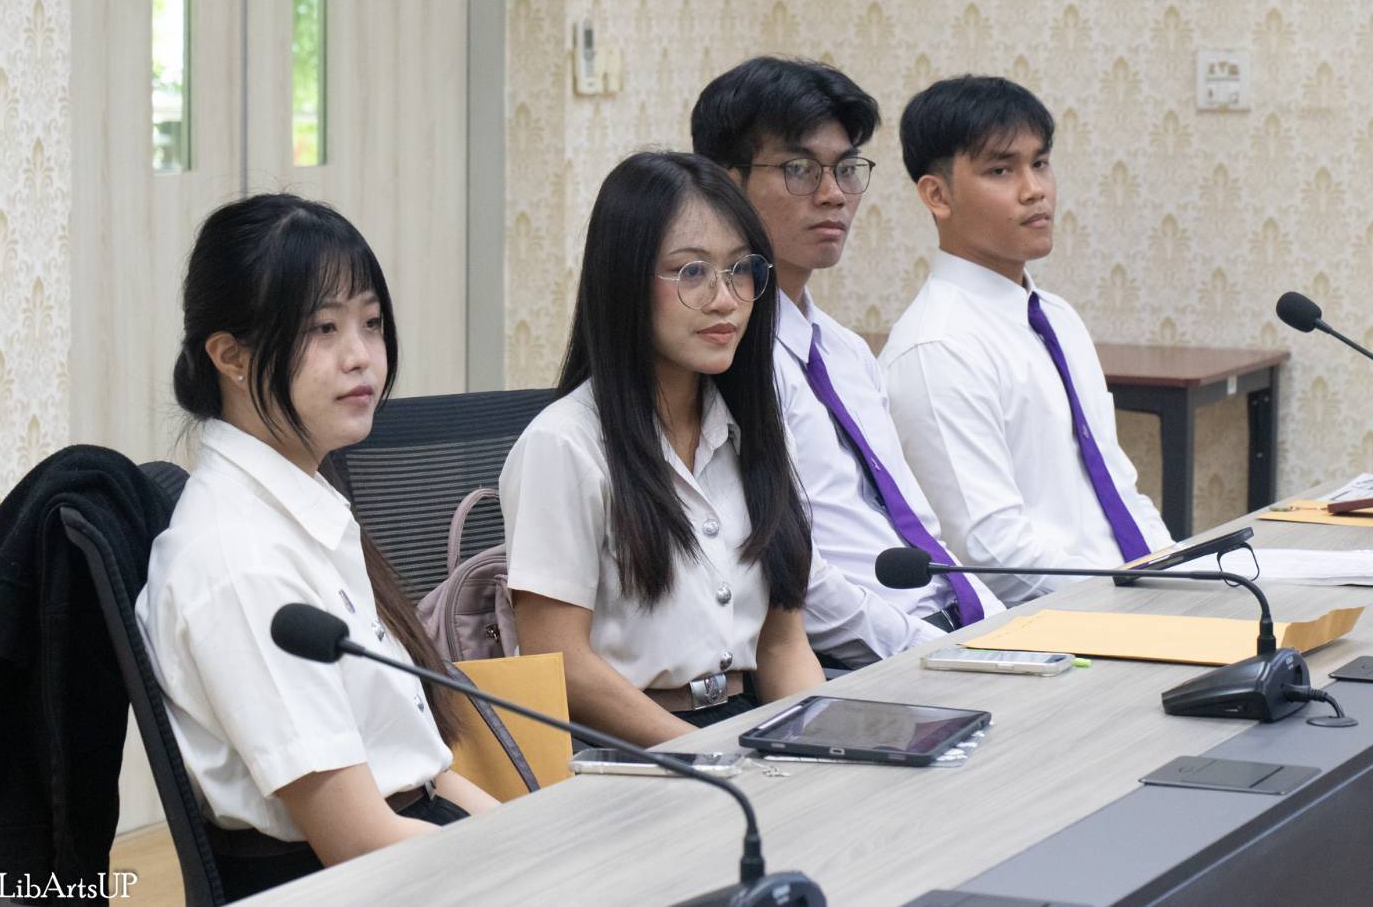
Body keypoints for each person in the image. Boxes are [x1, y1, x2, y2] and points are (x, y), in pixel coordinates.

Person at [136, 194, 497, 899]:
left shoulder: (303, 506)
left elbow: (427, 774)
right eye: (323, 329)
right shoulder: (239, 560)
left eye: (371, 323)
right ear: (230, 357)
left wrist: (541, 837)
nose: (361, 357)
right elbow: (356, 839)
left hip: (418, 848)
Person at [501, 152, 824, 747]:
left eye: (741, 270)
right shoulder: (564, 443)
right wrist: (708, 755)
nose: (726, 299)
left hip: (745, 726)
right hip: (624, 749)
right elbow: (559, 662)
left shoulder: (756, 431)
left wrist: (822, 744)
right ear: (624, 282)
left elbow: (783, 646)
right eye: (692, 272)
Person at [691, 57, 1000, 667]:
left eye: (847, 169)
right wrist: (929, 649)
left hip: (942, 633)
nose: (833, 194)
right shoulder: (726, 358)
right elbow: (790, 575)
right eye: (800, 169)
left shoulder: (845, 350)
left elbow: (918, 523)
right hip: (852, 660)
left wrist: (998, 627)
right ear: (725, 183)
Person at [881, 76, 1173, 606]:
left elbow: (1121, 489)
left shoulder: (1057, 317)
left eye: (1040, 163)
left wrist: (1180, 579)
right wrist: (1131, 607)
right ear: (937, 195)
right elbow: (994, 554)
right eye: (1001, 170)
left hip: (1129, 601)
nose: (1034, 189)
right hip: (1058, 625)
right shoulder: (936, 348)